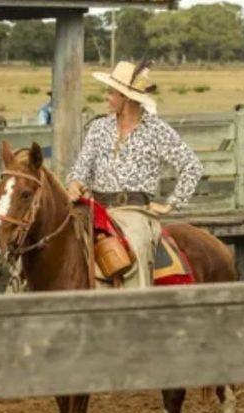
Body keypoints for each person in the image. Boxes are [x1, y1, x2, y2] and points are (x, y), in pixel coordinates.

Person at [64, 60, 203, 287]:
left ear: (126, 98)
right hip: (95, 208)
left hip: (134, 212)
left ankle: (135, 303)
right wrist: (75, 182)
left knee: (135, 250)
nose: (106, 97)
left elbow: (192, 166)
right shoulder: (99, 128)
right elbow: (81, 167)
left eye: (111, 92)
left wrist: (172, 203)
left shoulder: (156, 130)